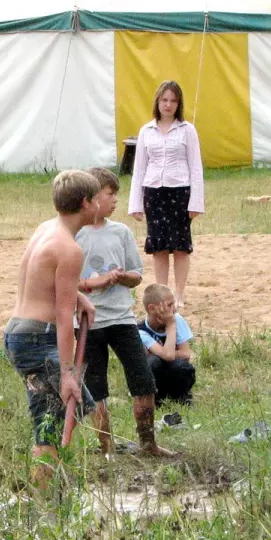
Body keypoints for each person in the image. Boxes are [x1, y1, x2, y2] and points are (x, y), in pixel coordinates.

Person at [4, 170, 101, 490]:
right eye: (97, 199)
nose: (100, 205)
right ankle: (43, 502)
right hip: (38, 337)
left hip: (18, 331)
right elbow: (62, 317)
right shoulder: (70, 250)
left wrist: (79, 296)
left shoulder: (47, 228)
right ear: (86, 203)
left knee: (79, 407)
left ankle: (53, 486)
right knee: (48, 426)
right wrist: (68, 373)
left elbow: (41, 276)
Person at [76, 167, 175, 458]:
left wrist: (122, 277)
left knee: (143, 380)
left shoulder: (121, 232)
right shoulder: (75, 235)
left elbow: (137, 274)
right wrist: (94, 283)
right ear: (91, 198)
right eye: (110, 194)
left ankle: (148, 443)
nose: (115, 200)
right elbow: (65, 281)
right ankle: (106, 447)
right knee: (96, 387)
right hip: (88, 322)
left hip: (122, 318)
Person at [127, 80, 204, 311]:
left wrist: (196, 202)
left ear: (179, 104)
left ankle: (179, 294)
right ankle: (163, 293)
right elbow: (139, 169)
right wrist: (135, 204)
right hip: (154, 193)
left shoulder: (187, 130)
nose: (168, 105)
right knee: (158, 246)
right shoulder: (146, 131)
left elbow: (196, 167)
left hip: (180, 192)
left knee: (180, 246)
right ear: (158, 102)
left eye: (173, 101)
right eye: (164, 100)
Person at [137, 284, 197, 409]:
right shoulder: (142, 331)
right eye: (169, 305)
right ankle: (157, 399)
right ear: (152, 308)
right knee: (152, 362)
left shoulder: (177, 319)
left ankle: (181, 396)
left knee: (181, 365)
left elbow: (185, 354)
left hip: (174, 373)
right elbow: (169, 355)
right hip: (157, 378)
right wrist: (170, 325)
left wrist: (160, 352)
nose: (174, 309)